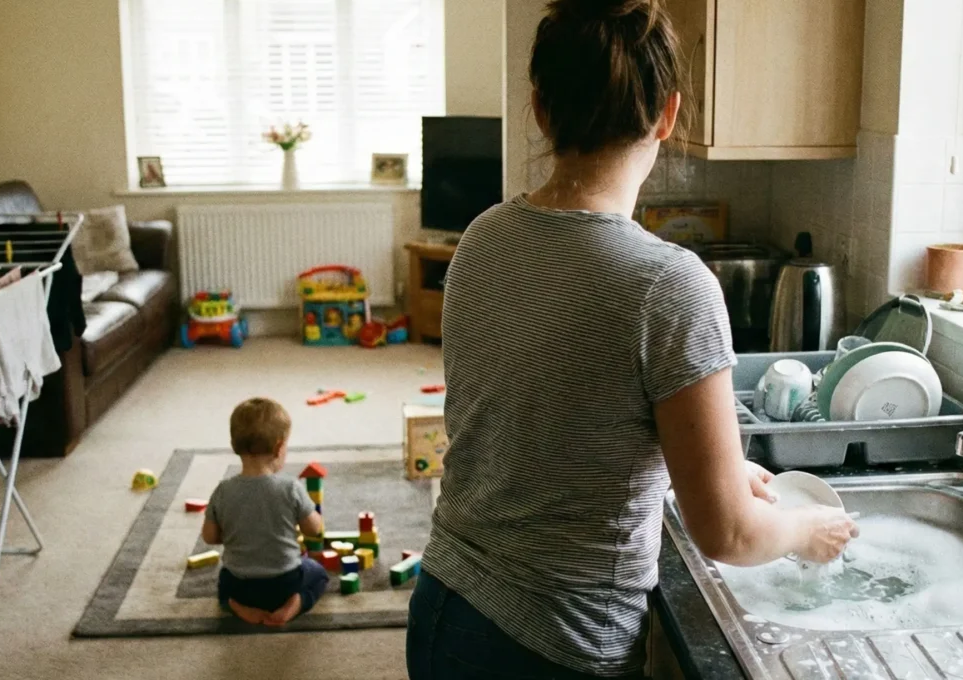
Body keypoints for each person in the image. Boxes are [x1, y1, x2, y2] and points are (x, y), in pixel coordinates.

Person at [405, 0, 859, 677]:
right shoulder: (670, 286)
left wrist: (721, 471)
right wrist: (806, 531)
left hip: (442, 611)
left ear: (538, 107)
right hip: (549, 648)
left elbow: (545, 430)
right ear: (669, 115)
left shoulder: (481, 238)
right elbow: (729, 533)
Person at [202, 398, 328, 626]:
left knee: (223, 584)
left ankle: (237, 607)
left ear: (235, 445)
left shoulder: (223, 491)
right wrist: (314, 515)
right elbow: (313, 529)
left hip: (240, 586)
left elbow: (210, 537)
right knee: (318, 573)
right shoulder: (290, 488)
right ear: (279, 448)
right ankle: (294, 604)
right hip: (284, 584)